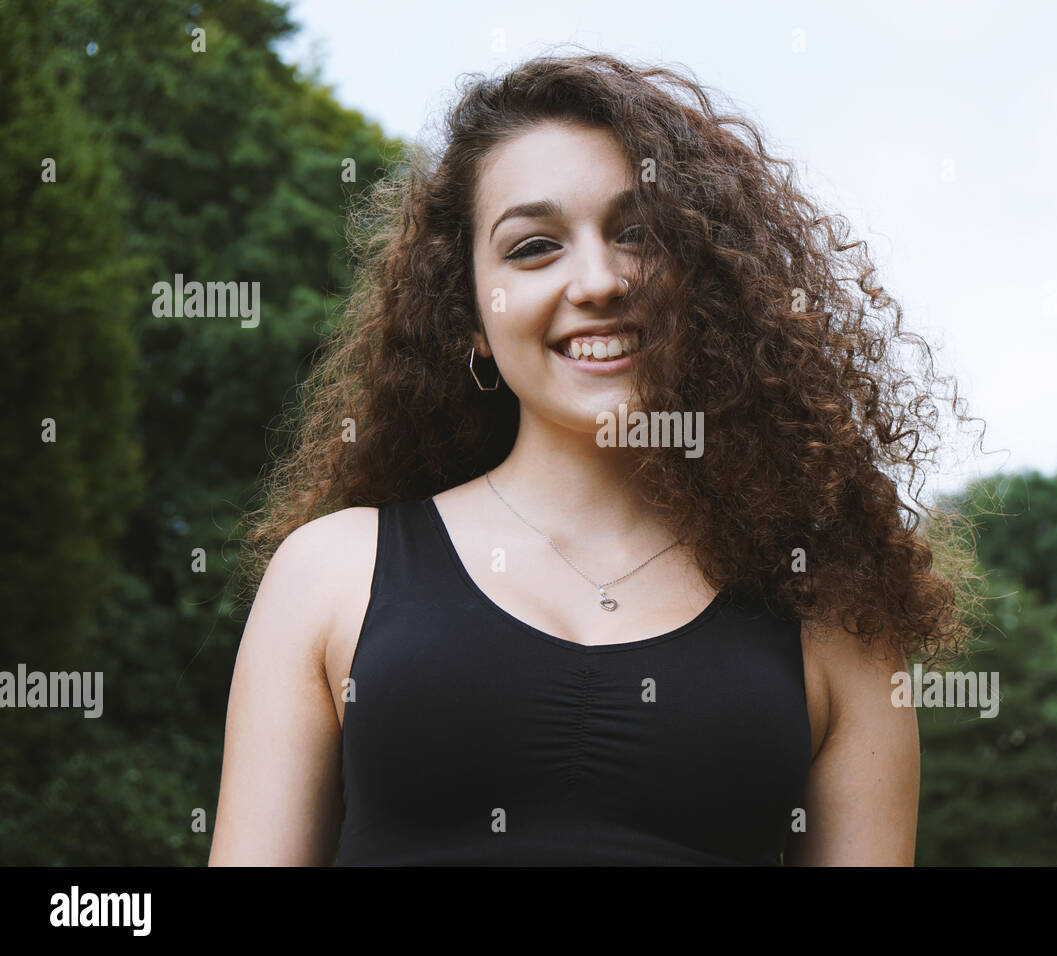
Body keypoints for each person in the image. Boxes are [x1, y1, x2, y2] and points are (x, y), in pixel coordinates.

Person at [208, 51, 977, 866]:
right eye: (535, 247)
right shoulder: (330, 573)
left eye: (638, 233)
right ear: (468, 313)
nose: (599, 281)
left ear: (706, 282)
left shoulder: (835, 613)